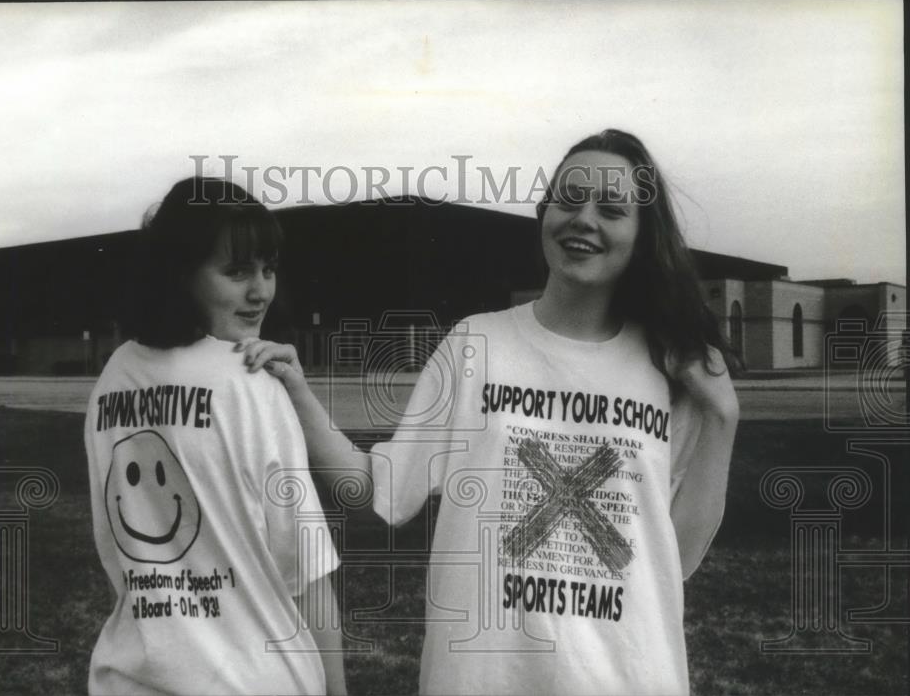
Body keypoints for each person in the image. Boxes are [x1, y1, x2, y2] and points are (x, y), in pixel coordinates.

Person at [243, 129, 739, 695]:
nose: (584, 219)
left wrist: (723, 416)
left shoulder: (671, 365)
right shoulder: (474, 345)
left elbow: (672, 560)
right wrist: (298, 392)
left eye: (612, 209)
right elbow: (377, 491)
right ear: (543, 212)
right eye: (569, 199)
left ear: (642, 235)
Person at [84, 177, 345, 695]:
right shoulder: (252, 380)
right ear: (180, 274)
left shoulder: (114, 376)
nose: (261, 291)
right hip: (255, 678)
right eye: (237, 271)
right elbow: (307, 569)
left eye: (268, 270)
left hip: (132, 676)